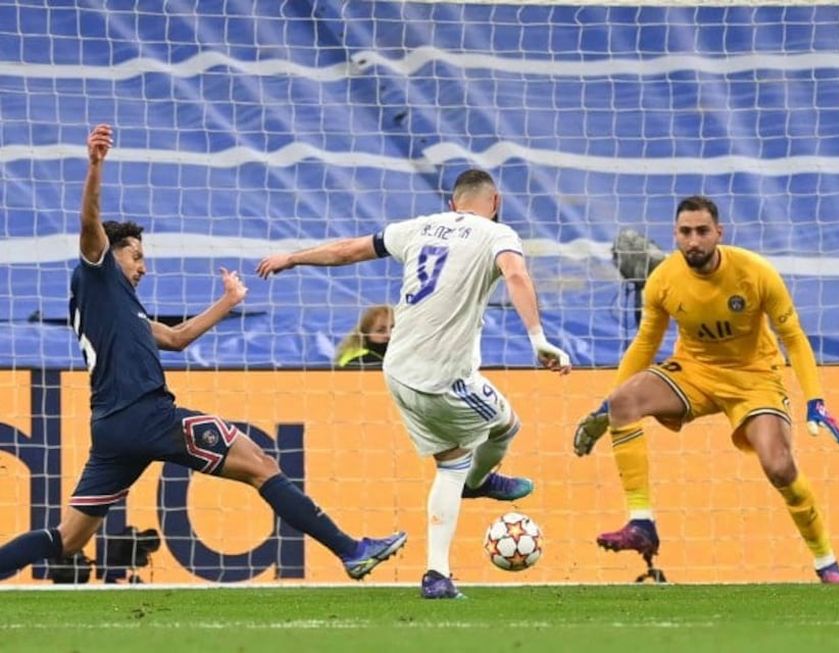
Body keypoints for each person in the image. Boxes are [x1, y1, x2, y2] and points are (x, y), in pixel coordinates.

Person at [0, 125, 406, 582]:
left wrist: (228, 302)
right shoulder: (97, 274)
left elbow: (177, 339)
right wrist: (95, 166)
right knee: (262, 466)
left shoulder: (118, 310)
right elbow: (89, 223)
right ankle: (351, 549)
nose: (143, 267)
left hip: (113, 428)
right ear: (110, 254)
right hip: (149, 415)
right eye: (135, 256)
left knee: (69, 538)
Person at [257, 169, 572, 599]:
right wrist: (538, 339)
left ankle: (436, 576)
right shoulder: (497, 234)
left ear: (451, 205)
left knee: (450, 463)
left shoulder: (419, 227)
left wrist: (292, 258)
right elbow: (516, 276)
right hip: (443, 376)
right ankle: (480, 482)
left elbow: (350, 250)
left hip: (398, 373)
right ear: (495, 202)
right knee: (506, 426)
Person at [573, 195, 839, 584]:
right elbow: (644, 344)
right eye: (686, 232)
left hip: (755, 377)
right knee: (625, 400)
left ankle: (827, 563)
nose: (694, 241)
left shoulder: (755, 272)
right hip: (696, 371)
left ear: (718, 233)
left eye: (702, 231)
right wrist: (607, 408)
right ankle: (642, 523)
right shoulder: (663, 281)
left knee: (779, 466)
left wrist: (815, 400)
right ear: (675, 235)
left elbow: (793, 336)